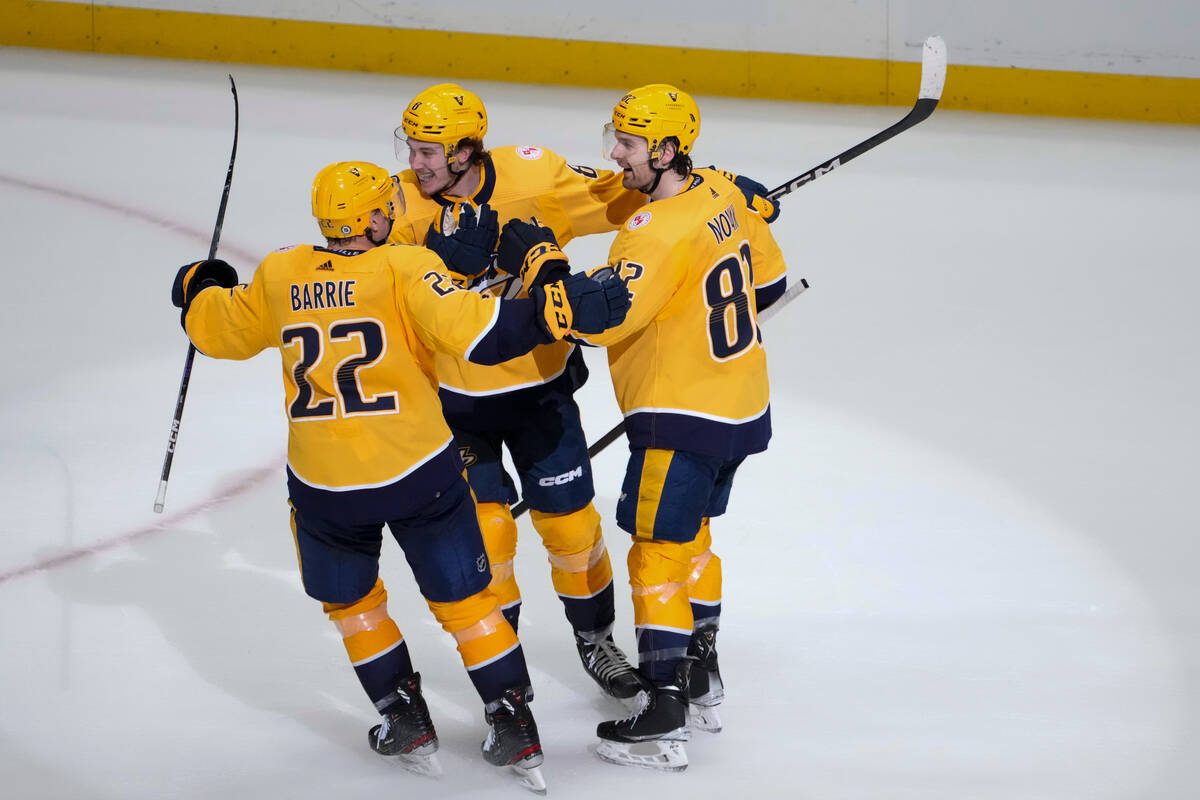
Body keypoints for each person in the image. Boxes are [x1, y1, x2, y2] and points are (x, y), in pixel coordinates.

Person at [169, 160, 629, 789]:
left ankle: (402, 713)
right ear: (376, 217)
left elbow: (217, 330)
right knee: (468, 605)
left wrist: (200, 285)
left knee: (353, 605)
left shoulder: (280, 273)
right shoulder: (404, 268)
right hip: (418, 474)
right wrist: (554, 308)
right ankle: (513, 718)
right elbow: (486, 335)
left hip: (325, 485)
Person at [388, 82, 778, 704]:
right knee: (491, 536)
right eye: (411, 148)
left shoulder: (534, 174)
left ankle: (595, 640)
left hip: (540, 390)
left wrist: (714, 180)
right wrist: (434, 255)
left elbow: (624, 188)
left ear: (466, 150)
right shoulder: (397, 204)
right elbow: (359, 277)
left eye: (430, 151)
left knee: (573, 531)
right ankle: (504, 667)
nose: (416, 164)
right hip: (456, 404)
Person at [495, 84, 788, 772]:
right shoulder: (725, 195)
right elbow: (768, 289)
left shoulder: (651, 232)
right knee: (693, 540)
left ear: (663, 151)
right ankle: (702, 668)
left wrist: (544, 264)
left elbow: (595, 320)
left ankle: (663, 707)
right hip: (742, 403)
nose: (614, 155)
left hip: (682, 414)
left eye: (626, 144)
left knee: (656, 550)